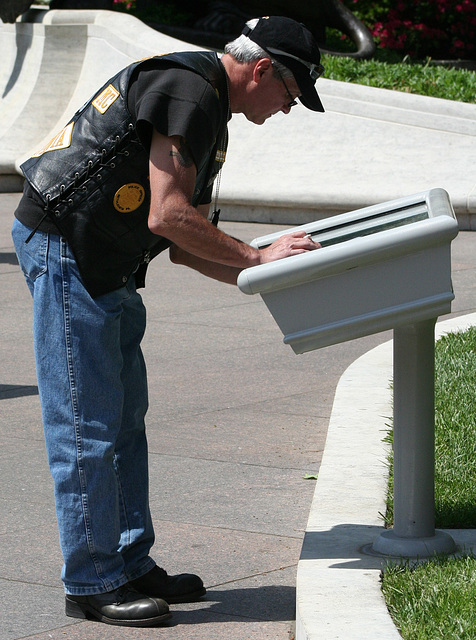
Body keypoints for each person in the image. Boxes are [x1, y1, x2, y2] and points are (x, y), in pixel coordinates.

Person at [12, 15, 325, 627]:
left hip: (108, 260)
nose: (287, 109)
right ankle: (94, 580)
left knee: (124, 417)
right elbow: (169, 216)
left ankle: (128, 560)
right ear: (261, 69)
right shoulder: (190, 91)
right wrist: (257, 256)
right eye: (291, 94)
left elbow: (188, 245)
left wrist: (265, 275)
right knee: (88, 423)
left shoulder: (209, 110)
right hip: (70, 246)